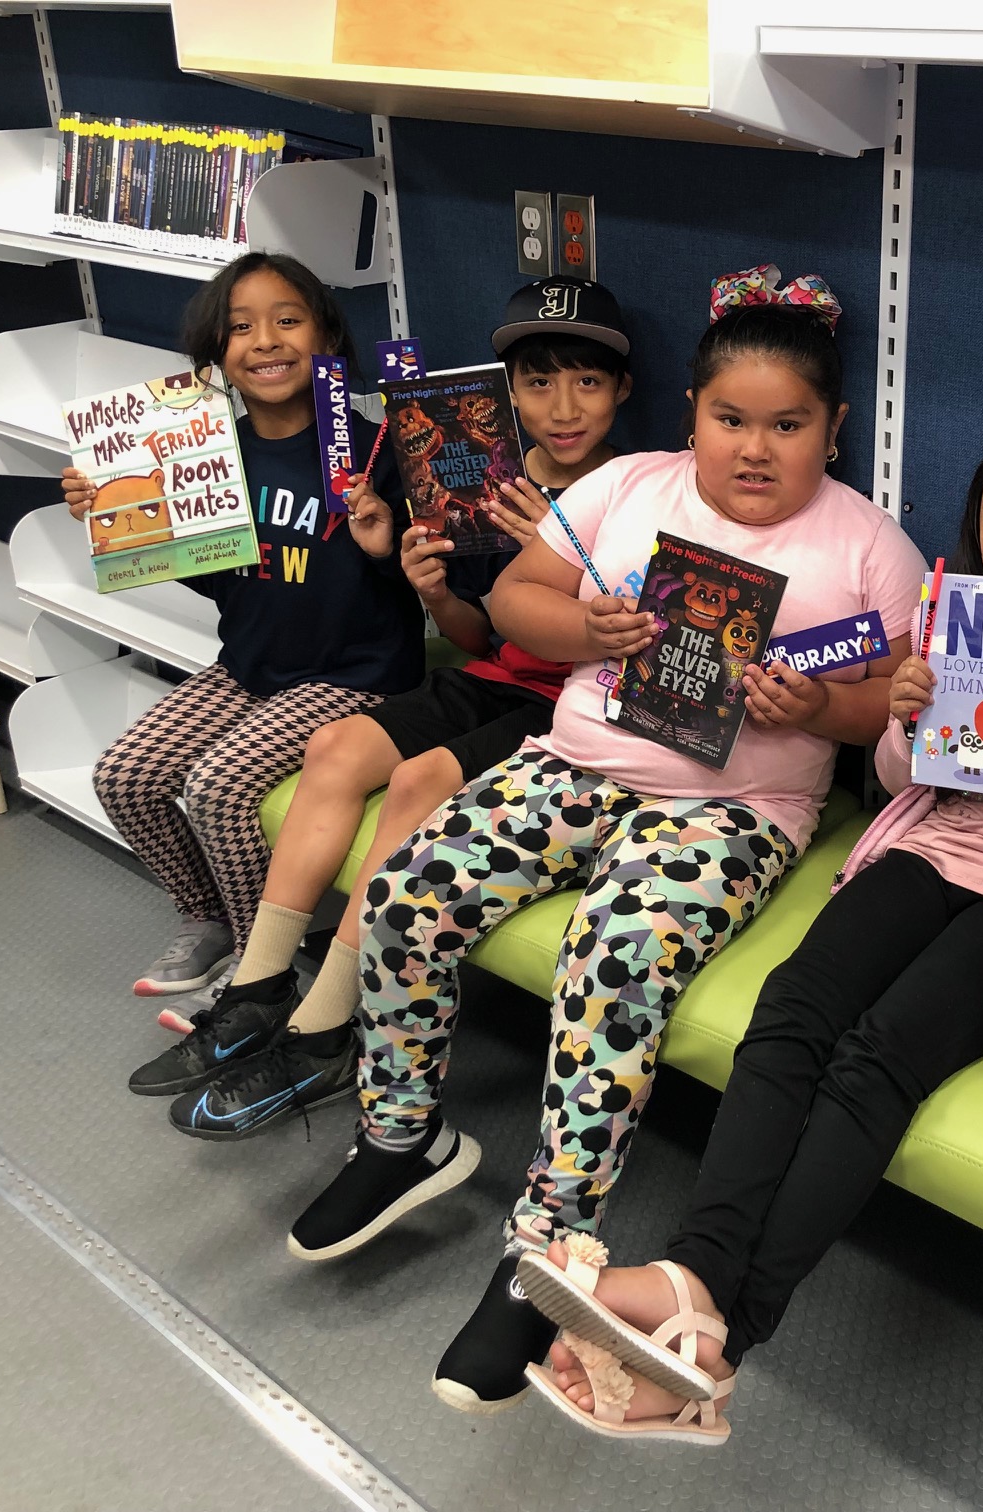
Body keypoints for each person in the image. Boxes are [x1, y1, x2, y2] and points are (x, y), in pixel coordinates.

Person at [282, 265, 930, 1419]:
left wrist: (819, 712)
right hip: (575, 758)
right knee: (404, 895)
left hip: (731, 810)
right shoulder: (631, 487)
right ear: (692, 413)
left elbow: (898, 703)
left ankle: (552, 1247)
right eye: (731, 419)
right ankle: (402, 1135)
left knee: (614, 957)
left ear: (833, 429)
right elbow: (523, 598)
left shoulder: (873, 546)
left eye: (788, 425)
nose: (755, 448)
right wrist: (584, 622)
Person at [513, 405, 983, 1442]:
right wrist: (908, 715)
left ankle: (722, 1338)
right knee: (792, 1011)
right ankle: (694, 1272)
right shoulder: (953, 613)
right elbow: (896, 780)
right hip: (933, 848)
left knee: (879, 1056)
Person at [143, 278, 637, 1137]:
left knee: (416, 785)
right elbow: (481, 642)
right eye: (537, 382)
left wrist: (554, 553)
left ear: (623, 391)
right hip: (496, 678)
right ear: (507, 393)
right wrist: (432, 590)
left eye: (588, 382)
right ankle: (260, 989)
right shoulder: (480, 479)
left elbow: (642, 640)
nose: (563, 406)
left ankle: (329, 1027)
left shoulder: (646, 490)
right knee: (335, 749)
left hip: (581, 703)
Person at [69, 252, 420, 1006]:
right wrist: (121, 521)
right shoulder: (209, 453)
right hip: (252, 665)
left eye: (288, 320)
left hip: (356, 678)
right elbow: (217, 578)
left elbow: (416, 586)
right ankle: (210, 919)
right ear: (216, 356)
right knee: (123, 776)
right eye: (240, 328)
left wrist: (384, 547)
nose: (265, 341)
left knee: (218, 784)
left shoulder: (372, 450)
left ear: (326, 337)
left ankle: (264, 969)